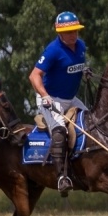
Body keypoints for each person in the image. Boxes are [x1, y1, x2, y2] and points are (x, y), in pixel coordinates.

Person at [28, 11, 89, 195]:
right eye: (69, 32)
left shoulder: (81, 46)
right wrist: (45, 95)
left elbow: (74, 68)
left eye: (75, 31)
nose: (73, 35)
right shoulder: (53, 50)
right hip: (50, 98)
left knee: (92, 122)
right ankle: (62, 176)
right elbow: (34, 75)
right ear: (59, 33)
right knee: (59, 130)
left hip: (71, 98)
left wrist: (85, 71)